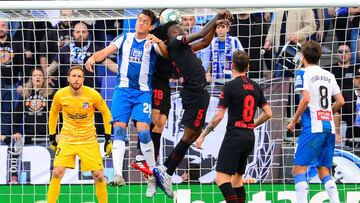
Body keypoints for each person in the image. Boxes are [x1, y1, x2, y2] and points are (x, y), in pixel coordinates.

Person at [85, 9, 168, 197]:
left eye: (144, 21)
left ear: (150, 26)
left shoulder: (152, 42)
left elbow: (166, 55)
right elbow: (105, 52)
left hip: (142, 93)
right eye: (139, 20)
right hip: (122, 91)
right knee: (119, 130)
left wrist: (160, 42)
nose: (140, 23)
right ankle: (117, 174)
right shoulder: (125, 37)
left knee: (144, 132)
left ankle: (153, 173)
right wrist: (92, 57)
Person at [153, 10, 231, 198]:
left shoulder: (182, 47)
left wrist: (215, 25)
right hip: (194, 93)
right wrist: (217, 19)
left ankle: (166, 170)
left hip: (199, 92)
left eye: (180, 27)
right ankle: (166, 170)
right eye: (176, 29)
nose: (180, 29)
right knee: (189, 135)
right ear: (170, 34)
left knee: (194, 133)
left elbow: (205, 41)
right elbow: (201, 33)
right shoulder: (175, 42)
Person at [195, 50, 272, 203]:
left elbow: (219, 115)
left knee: (221, 178)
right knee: (237, 180)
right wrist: (251, 125)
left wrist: (202, 135)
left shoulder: (229, 86)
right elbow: (269, 113)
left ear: (232, 66)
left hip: (234, 136)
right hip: (249, 137)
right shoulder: (256, 87)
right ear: (248, 67)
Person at [287, 41, 345, 203]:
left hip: (313, 126)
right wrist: (326, 113)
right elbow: (340, 101)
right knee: (324, 170)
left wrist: (293, 120)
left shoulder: (302, 73)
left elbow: (305, 99)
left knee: (298, 169)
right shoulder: (329, 75)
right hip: (329, 127)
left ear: (303, 56)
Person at [47, 66, 112, 203]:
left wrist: (107, 138)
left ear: (83, 79)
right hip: (67, 139)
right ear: (68, 78)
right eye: (74, 76)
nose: (76, 79)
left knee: (99, 175)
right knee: (57, 172)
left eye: (79, 76)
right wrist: (52, 136)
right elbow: (53, 114)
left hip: (88, 140)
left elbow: (106, 113)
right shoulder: (60, 95)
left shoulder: (92, 94)